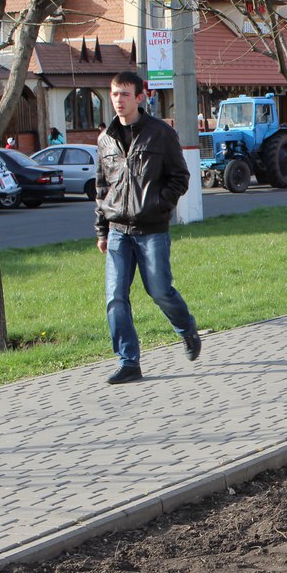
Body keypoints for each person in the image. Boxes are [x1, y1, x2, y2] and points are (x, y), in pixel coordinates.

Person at [95, 70, 200, 385]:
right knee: (115, 297)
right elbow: (103, 189)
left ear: (139, 97)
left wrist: (159, 205)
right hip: (117, 231)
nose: (119, 100)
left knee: (159, 290)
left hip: (152, 229)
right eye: (114, 94)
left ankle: (186, 329)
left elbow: (180, 177)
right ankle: (129, 362)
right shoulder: (105, 139)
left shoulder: (159, 134)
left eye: (125, 94)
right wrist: (102, 229)